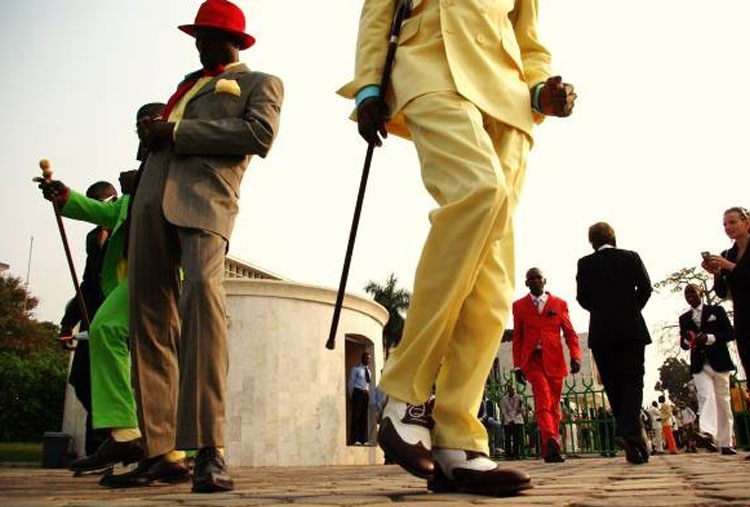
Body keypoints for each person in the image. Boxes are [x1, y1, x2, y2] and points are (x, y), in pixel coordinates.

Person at [339, 0, 576, 496]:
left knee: (492, 277)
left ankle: (457, 436)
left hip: (510, 100)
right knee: (477, 190)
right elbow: (377, 13)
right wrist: (367, 87)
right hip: (431, 64)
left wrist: (541, 90)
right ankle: (404, 394)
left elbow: (529, 40)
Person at [126, 0, 283, 493]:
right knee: (147, 317)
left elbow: (259, 134)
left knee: (202, 304)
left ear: (235, 40)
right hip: (150, 199)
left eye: (208, 35)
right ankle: (159, 451)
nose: (199, 44)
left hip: (205, 203)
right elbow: (166, 140)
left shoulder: (260, 82)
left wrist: (176, 131)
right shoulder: (185, 85)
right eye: (196, 35)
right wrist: (152, 141)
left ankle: (209, 449)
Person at [576, 222, 652, 464]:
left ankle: (633, 438)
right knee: (632, 380)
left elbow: (582, 297)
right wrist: (631, 308)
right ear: (613, 237)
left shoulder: (585, 263)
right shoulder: (630, 257)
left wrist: (601, 311)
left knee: (613, 384)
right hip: (631, 328)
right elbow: (646, 288)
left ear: (592, 241)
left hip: (601, 331)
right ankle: (629, 433)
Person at [59, 181, 117, 460]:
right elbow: (87, 281)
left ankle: (105, 444)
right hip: (93, 316)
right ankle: (103, 442)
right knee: (82, 379)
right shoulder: (92, 238)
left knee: (110, 379)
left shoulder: (126, 225)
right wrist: (68, 322)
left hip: (119, 313)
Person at [512, 268, 581, 463]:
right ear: (526, 283)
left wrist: (575, 356)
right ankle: (550, 439)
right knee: (542, 398)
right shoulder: (519, 306)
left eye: (538, 278)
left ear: (545, 281)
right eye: (530, 279)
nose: (535, 281)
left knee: (554, 405)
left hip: (555, 360)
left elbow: (570, 333)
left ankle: (551, 447)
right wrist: (518, 366)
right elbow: (518, 337)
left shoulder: (559, 304)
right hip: (533, 360)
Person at [679, 284, 736, 455]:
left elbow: (730, 334)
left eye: (692, 292)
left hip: (718, 361)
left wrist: (710, 338)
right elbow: (683, 343)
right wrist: (688, 341)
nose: (689, 295)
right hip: (699, 364)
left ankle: (725, 443)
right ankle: (707, 432)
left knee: (723, 402)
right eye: (686, 293)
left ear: (700, 293)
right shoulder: (684, 318)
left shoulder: (716, 311)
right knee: (706, 395)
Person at [704, 208, 750, 388]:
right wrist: (716, 273)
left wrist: (730, 266)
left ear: (746, 223)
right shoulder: (727, 254)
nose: (728, 227)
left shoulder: (729, 260)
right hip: (743, 318)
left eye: (732, 222)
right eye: (725, 224)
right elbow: (722, 292)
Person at [348, 352, 372, 444]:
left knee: (364, 417)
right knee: (356, 416)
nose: (368, 360)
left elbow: (368, 384)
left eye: (369, 359)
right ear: (363, 359)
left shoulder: (369, 372)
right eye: (367, 358)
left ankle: (364, 440)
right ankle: (355, 439)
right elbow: (351, 383)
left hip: (365, 394)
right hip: (357, 392)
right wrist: (351, 396)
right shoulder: (356, 369)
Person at [501, 385, 523, 460]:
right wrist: (509, 420)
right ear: (508, 390)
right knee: (507, 438)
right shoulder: (504, 399)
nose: (512, 391)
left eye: (513, 389)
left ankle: (516, 454)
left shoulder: (519, 397)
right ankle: (508, 454)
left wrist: (515, 418)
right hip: (508, 420)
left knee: (516, 437)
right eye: (510, 389)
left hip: (517, 419)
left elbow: (520, 410)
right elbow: (504, 412)